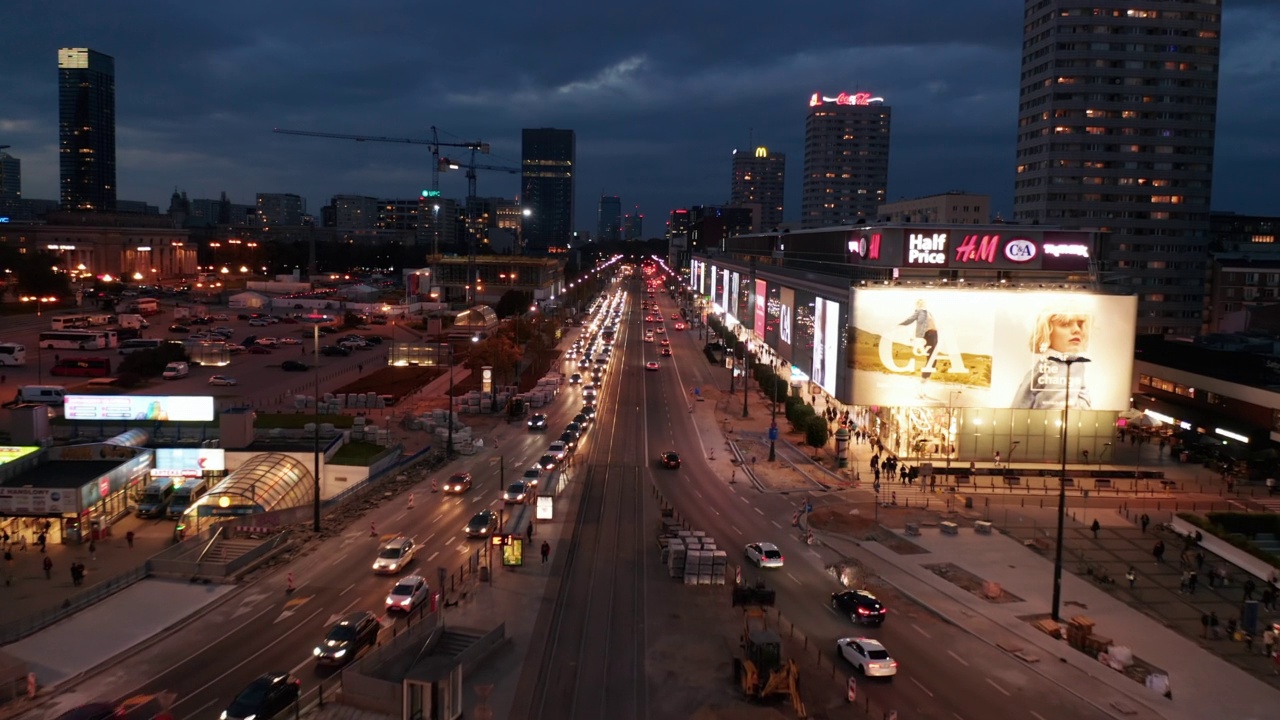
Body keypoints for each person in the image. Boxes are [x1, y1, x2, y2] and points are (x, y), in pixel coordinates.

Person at [1011, 309, 1093, 409]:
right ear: (1047, 330)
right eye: (1066, 324)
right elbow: (1056, 415)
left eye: (1080, 324)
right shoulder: (1066, 364)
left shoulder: (1042, 366)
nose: (1077, 330)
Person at [897, 299, 940, 394]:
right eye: (920, 303)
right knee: (931, 360)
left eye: (923, 302)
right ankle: (921, 386)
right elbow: (911, 320)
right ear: (918, 305)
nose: (923, 304)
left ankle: (924, 384)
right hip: (928, 335)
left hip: (934, 335)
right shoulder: (918, 312)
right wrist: (900, 325)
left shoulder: (929, 312)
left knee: (933, 361)